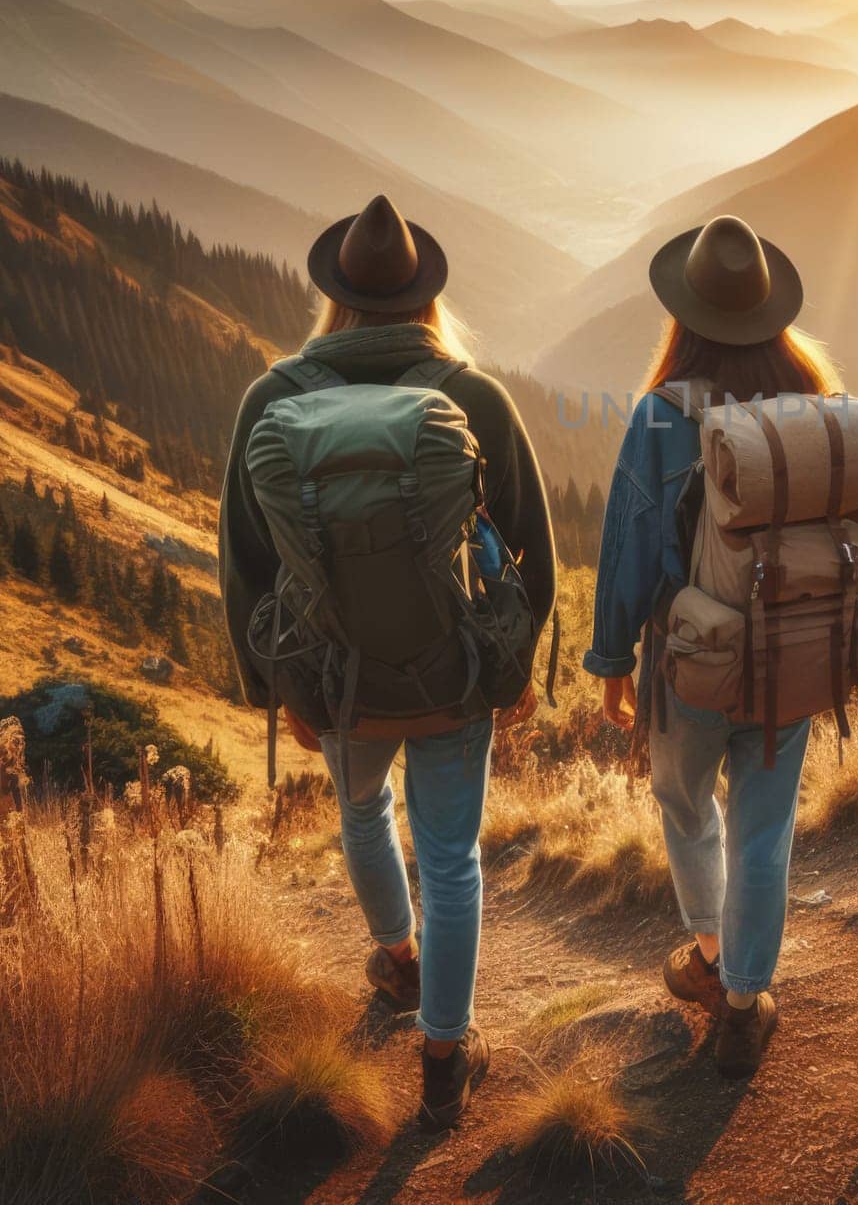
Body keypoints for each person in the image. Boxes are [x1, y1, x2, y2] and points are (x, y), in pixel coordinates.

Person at [219, 194, 556, 1127]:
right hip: (452, 674)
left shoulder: (274, 399)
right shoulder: (471, 393)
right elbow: (531, 545)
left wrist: (273, 688)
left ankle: (396, 959)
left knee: (362, 811)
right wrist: (518, 664)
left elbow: (243, 563)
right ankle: (445, 1058)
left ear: (333, 297)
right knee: (451, 859)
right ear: (423, 299)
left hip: (335, 676)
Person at [585, 214, 841, 1077]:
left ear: (685, 317)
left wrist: (612, 661)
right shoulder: (814, 404)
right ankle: (743, 1005)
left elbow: (630, 544)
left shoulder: (663, 414)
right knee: (765, 832)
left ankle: (707, 954)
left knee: (687, 802)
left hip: (692, 658)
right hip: (795, 656)